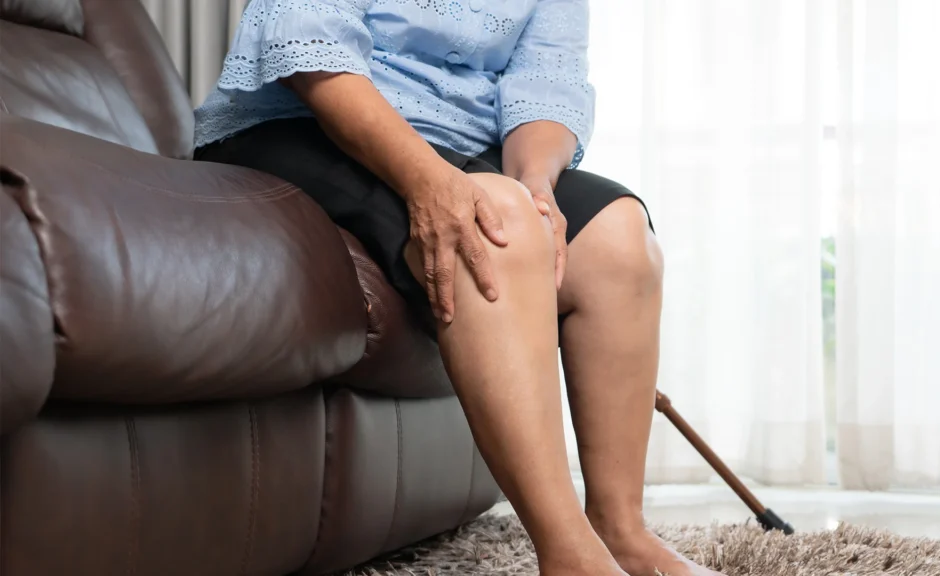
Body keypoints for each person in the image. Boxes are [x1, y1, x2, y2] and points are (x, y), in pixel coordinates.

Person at [194, 1, 722, 575]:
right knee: (494, 220)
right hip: (304, 123)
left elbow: (545, 87)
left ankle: (621, 531)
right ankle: (570, 555)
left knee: (619, 238)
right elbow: (310, 49)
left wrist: (537, 189)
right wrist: (431, 182)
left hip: (462, 143)